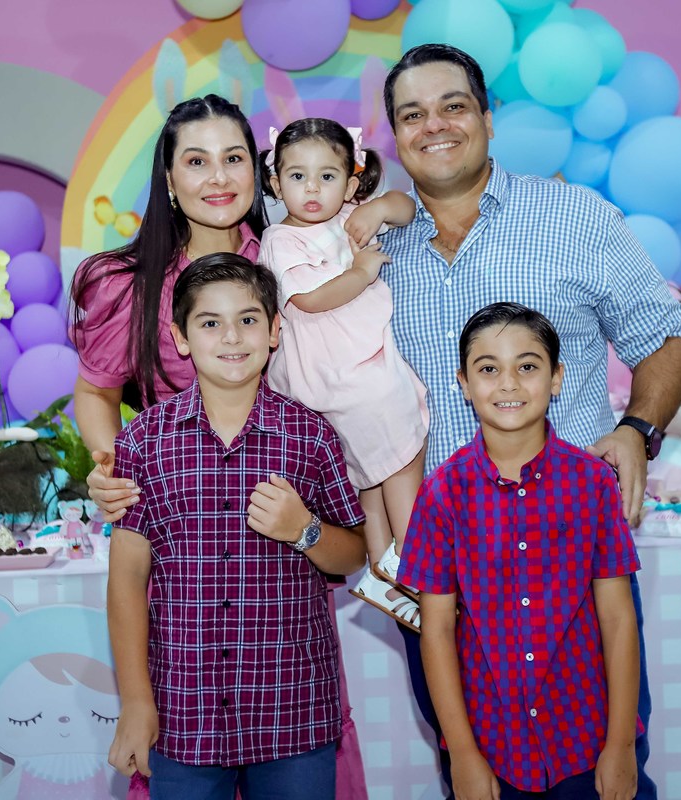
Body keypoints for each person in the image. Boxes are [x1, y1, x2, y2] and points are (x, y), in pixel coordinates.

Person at [347, 43, 681, 799]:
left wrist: (637, 430)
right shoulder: (364, 253)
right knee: (472, 770)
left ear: (487, 117)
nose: (435, 125)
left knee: (603, 771)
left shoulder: (575, 218)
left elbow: (664, 336)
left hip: (573, 553)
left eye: (453, 106)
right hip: (439, 569)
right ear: (394, 137)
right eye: (413, 114)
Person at [105, 253, 368, 800]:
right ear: (180, 338)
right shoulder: (143, 442)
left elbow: (354, 554)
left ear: (274, 331)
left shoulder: (310, 435)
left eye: (248, 319)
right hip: (183, 711)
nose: (231, 336)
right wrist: (135, 700)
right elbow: (127, 578)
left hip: (293, 708)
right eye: (210, 322)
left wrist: (304, 530)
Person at [400, 303, 641, 800]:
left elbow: (618, 620)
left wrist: (619, 745)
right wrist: (463, 754)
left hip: (584, 736)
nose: (508, 383)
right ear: (464, 384)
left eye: (527, 366)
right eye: (488, 369)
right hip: (491, 743)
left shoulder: (593, 483)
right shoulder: (442, 492)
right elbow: (437, 630)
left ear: (556, 378)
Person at [258, 117, 428, 631]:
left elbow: (408, 208)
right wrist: (360, 272)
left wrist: (380, 206)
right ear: (276, 183)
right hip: (342, 371)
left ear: (351, 183)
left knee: (370, 474)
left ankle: (382, 569)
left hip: (350, 365)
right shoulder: (280, 239)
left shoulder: (353, 216)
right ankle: (417, 561)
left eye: (327, 176)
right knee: (402, 453)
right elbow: (310, 300)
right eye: (298, 176)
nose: (312, 189)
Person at [71, 93, 267, 497]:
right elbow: (96, 392)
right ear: (169, 180)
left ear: (254, 170)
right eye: (197, 162)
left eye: (233, 158)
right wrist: (118, 479)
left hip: (286, 495)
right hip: (178, 501)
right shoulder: (132, 287)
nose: (219, 178)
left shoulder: (293, 265)